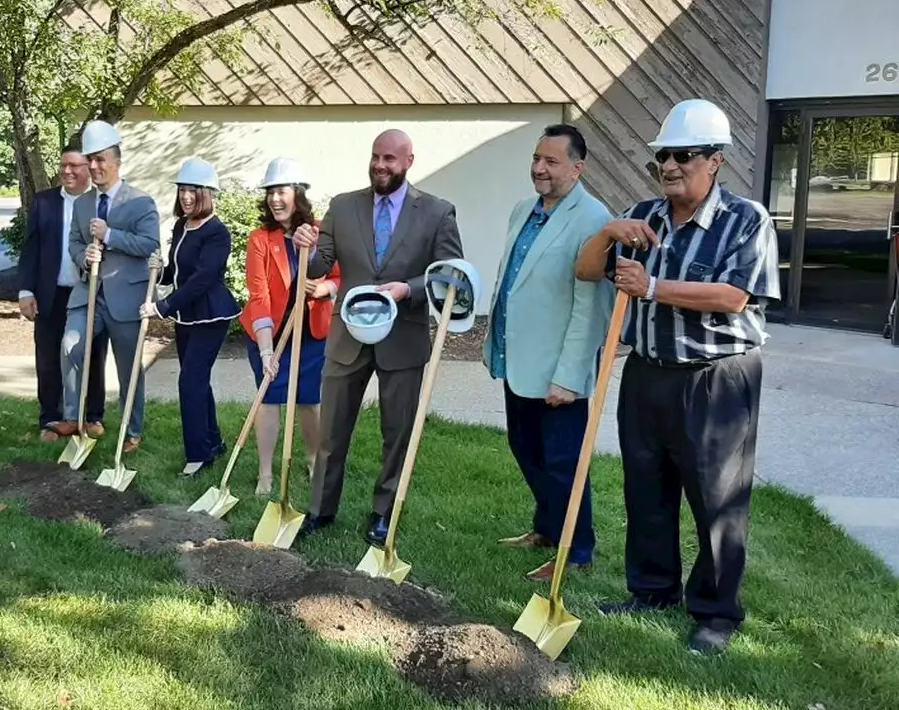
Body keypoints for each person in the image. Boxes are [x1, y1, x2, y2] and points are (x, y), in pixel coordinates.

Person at [575, 98, 780, 656]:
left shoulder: (746, 220)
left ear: (715, 161)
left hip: (716, 379)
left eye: (682, 156)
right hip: (647, 373)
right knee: (646, 488)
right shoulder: (647, 216)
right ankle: (652, 591)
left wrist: (654, 288)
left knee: (718, 498)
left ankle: (716, 612)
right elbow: (589, 270)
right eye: (661, 157)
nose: (669, 166)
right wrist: (607, 234)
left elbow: (735, 297)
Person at [292, 128, 463, 545]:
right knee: (332, 429)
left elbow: (449, 273)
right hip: (348, 335)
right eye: (375, 157)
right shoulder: (343, 206)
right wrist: (305, 249)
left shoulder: (437, 212)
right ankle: (320, 509)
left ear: (408, 161)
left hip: (402, 337)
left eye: (389, 159)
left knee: (396, 431)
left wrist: (410, 289)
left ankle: (384, 512)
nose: (380, 166)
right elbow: (319, 267)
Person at [483, 124, 614, 583]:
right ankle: (546, 528)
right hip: (518, 359)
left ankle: (577, 550)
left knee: (563, 462)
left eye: (551, 161)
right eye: (536, 159)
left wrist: (571, 375)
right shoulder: (525, 209)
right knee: (525, 448)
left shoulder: (593, 219)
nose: (539, 168)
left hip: (558, 369)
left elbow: (592, 308)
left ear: (578, 168)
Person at [238, 157, 341, 495]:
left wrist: (325, 289)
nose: (275, 199)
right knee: (268, 398)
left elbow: (341, 275)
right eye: (270, 192)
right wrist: (267, 350)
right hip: (270, 333)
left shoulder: (321, 231)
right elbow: (259, 296)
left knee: (309, 400)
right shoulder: (260, 240)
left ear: (297, 194)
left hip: (311, 333)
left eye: (281, 191)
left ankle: (314, 460)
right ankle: (266, 474)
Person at [62, 119, 160, 454]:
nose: (94, 165)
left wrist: (109, 236)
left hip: (126, 297)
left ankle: (133, 431)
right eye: (90, 159)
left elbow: (150, 244)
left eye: (100, 159)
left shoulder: (140, 202)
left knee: (128, 366)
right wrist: (83, 255)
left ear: (117, 160)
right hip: (88, 295)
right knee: (71, 346)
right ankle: (74, 420)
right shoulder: (81, 204)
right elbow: (74, 242)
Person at [139, 157, 241, 475]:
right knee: (197, 381)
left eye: (194, 190)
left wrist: (162, 307)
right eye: (183, 189)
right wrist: (160, 272)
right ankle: (213, 441)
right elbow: (180, 271)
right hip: (187, 316)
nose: (186, 196)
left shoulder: (217, 233)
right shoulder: (183, 225)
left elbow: (202, 278)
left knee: (189, 382)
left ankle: (199, 456)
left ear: (208, 193)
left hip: (211, 316)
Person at [17, 145, 110, 441]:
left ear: (89, 168)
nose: (67, 171)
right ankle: (51, 418)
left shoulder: (99, 203)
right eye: (63, 165)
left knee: (92, 354)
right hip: (50, 293)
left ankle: (92, 415)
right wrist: (25, 290)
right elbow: (31, 248)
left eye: (75, 166)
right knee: (48, 357)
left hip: (89, 292)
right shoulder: (44, 202)